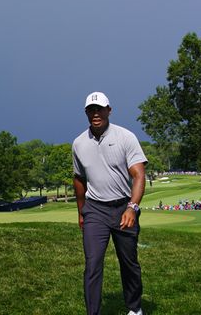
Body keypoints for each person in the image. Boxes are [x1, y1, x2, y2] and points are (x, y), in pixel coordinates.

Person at [72, 92, 148, 315]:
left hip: (124, 206)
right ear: (86, 113)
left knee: (129, 263)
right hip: (95, 208)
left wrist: (132, 207)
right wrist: (81, 212)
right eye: (91, 110)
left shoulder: (126, 137)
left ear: (109, 110)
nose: (96, 114)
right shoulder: (78, 143)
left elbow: (139, 175)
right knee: (93, 264)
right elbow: (78, 178)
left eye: (100, 109)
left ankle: (134, 309)